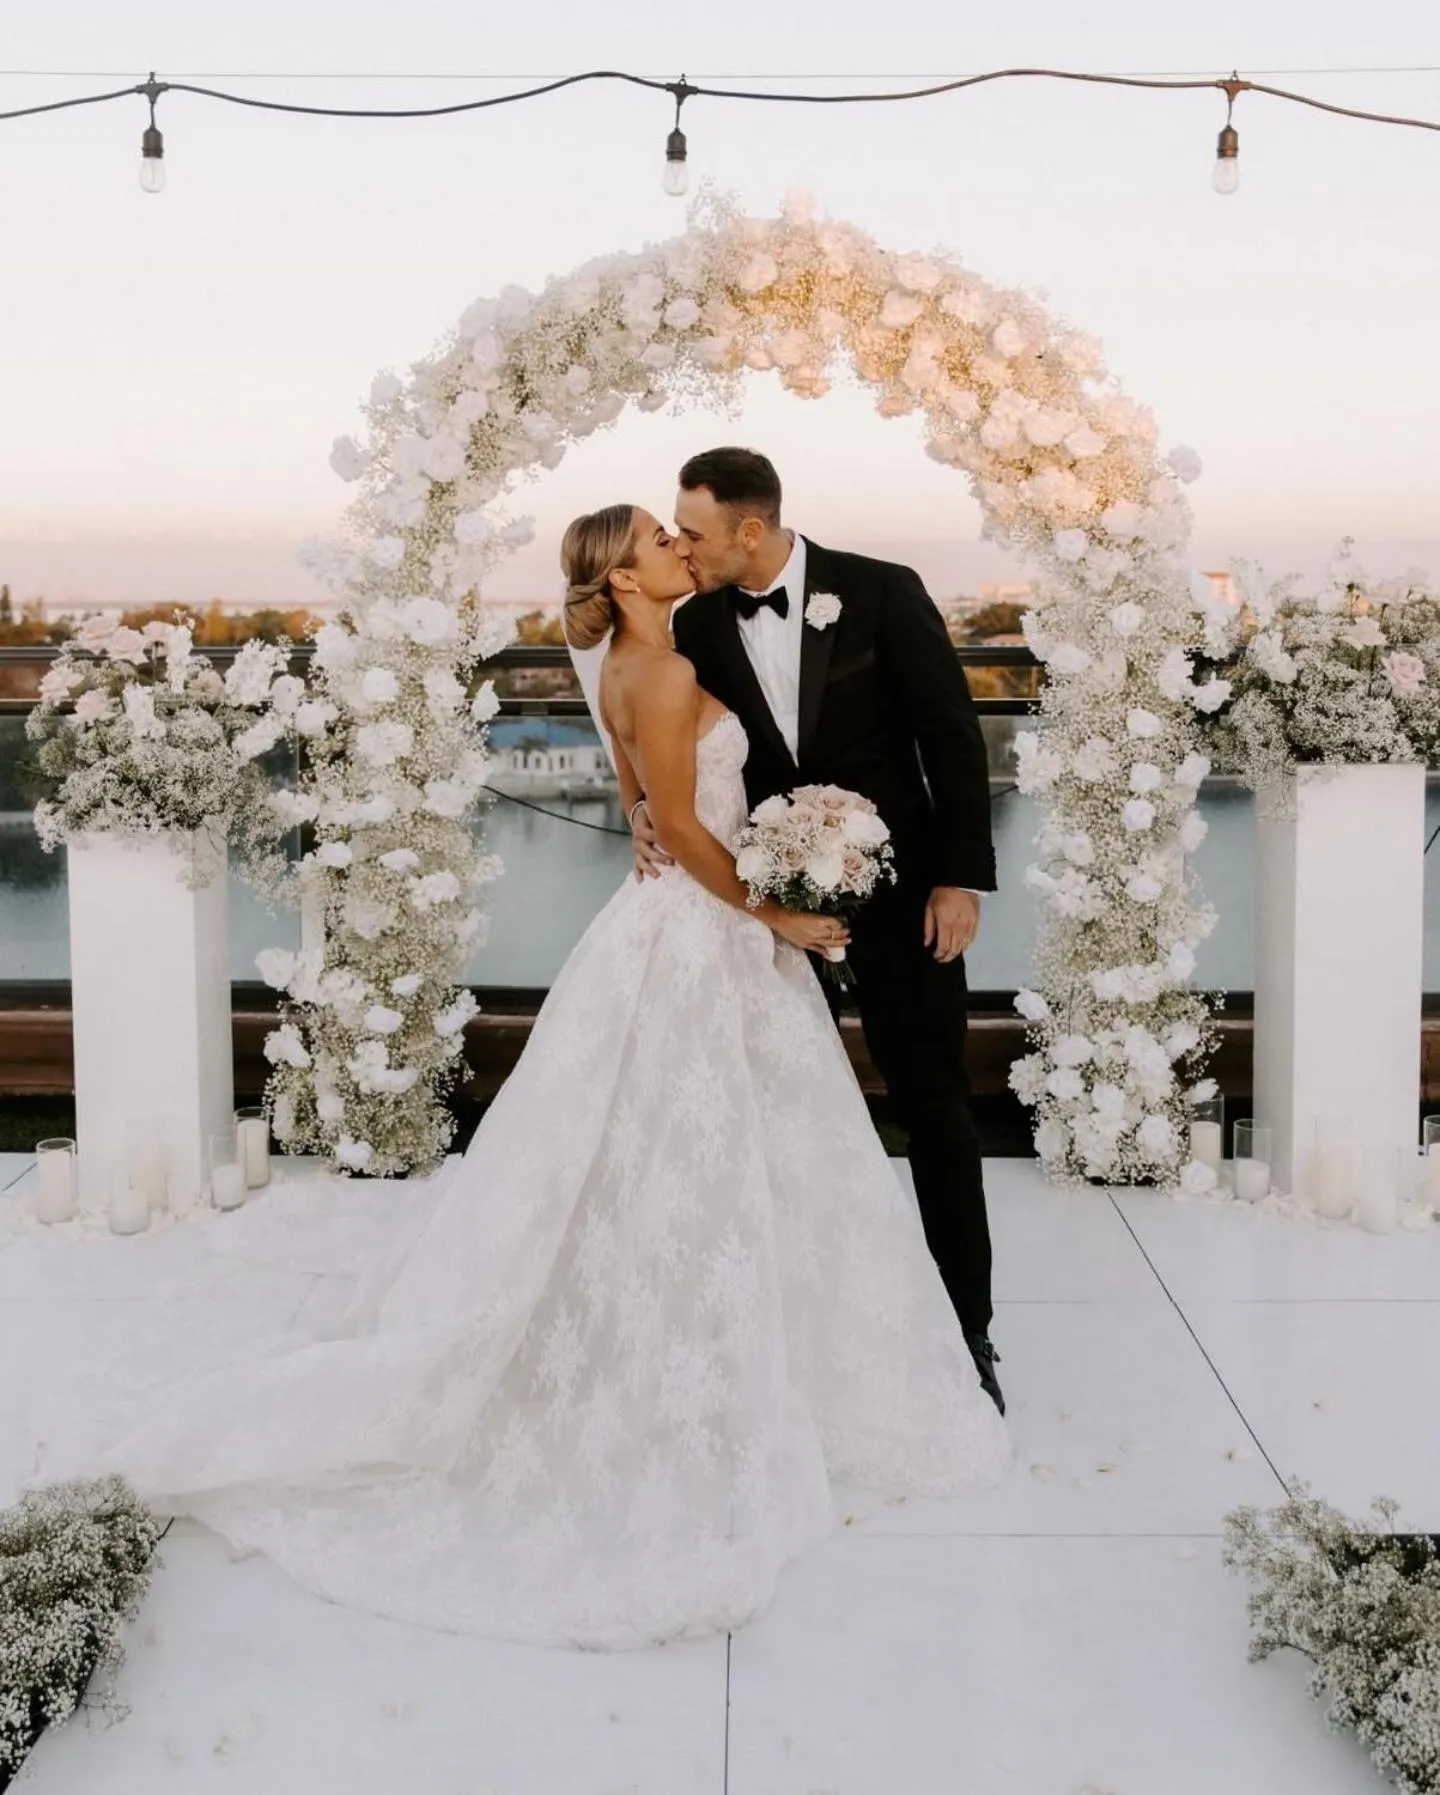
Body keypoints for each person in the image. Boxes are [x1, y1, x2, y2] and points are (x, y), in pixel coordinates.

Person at [37, 504, 1009, 1651]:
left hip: (707, 933)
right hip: (708, 932)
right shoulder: (653, 666)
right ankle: (673, 1355)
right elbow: (692, 830)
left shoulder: (657, 650)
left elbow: (657, 796)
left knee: (727, 1140)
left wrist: (675, 827)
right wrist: (776, 910)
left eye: (679, 531)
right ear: (626, 573)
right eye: (659, 538)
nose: (677, 546)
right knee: (683, 1138)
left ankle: (779, 1333)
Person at [635, 447, 1005, 1412]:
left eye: (697, 532)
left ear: (749, 531)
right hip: (762, 912)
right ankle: (788, 1337)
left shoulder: (883, 592)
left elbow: (951, 737)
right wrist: (642, 806)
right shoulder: (696, 622)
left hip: (905, 898)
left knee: (933, 1104)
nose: (684, 546)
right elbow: (666, 742)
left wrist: (961, 876)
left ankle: (969, 1334)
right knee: (769, 1119)